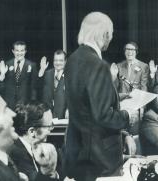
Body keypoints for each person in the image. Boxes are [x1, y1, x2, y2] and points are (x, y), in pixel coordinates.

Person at [63, 12, 133, 181]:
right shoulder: (98, 65)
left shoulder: (73, 59)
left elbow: (85, 102)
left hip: (78, 152)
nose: (110, 39)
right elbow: (102, 116)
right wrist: (127, 115)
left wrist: (116, 97)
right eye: (111, 34)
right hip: (100, 157)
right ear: (104, 34)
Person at [10, 103, 59, 181]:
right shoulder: (16, 154)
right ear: (32, 131)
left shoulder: (37, 147)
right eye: (49, 126)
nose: (51, 130)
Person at [110, 42, 149, 135]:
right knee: (122, 131)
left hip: (136, 104)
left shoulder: (144, 66)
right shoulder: (119, 66)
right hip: (123, 103)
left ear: (136, 52)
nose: (129, 52)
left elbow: (144, 87)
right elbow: (115, 87)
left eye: (132, 50)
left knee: (134, 132)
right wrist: (113, 76)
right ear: (124, 52)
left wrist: (142, 107)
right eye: (127, 49)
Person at [0, 41, 38, 110]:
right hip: (9, 102)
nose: (19, 53)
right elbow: (1, 85)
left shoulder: (32, 65)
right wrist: (2, 74)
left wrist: (32, 103)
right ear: (13, 51)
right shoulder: (7, 64)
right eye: (17, 50)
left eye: (22, 50)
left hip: (25, 103)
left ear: (25, 51)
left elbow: (34, 87)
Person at [38, 50, 67, 119]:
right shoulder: (47, 74)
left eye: (61, 60)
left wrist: (69, 110)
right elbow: (38, 90)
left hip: (63, 116)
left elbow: (73, 97)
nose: (58, 63)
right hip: (46, 115)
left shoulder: (70, 75)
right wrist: (42, 70)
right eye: (56, 60)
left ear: (65, 61)